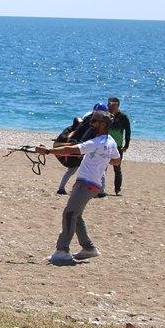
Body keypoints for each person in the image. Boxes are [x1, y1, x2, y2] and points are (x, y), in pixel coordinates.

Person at [36, 108, 121, 265]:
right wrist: (101, 158)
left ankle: (63, 251)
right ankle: (88, 248)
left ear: (103, 124)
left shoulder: (96, 142)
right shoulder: (110, 142)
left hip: (86, 184)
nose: (91, 123)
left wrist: (48, 151)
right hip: (94, 184)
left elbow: (71, 149)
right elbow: (116, 161)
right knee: (77, 215)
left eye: (94, 121)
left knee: (69, 214)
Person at [55, 104, 101, 195]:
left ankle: (62, 188)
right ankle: (98, 191)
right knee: (94, 167)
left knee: (74, 169)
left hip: (82, 145)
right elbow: (86, 134)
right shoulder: (93, 121)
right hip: (85, 146)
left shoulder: (88, 116)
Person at [107, 97, 132, 195]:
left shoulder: (123, 117)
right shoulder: (106, 115)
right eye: (109, 104)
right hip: (105, 145)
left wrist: (126, 145)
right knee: (101, 166)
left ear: (118, 105)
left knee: (117, 168)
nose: (111, 106)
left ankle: (117, 190)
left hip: (117, 146)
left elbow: (128, 131)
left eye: (113, 105)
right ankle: (99, 189)